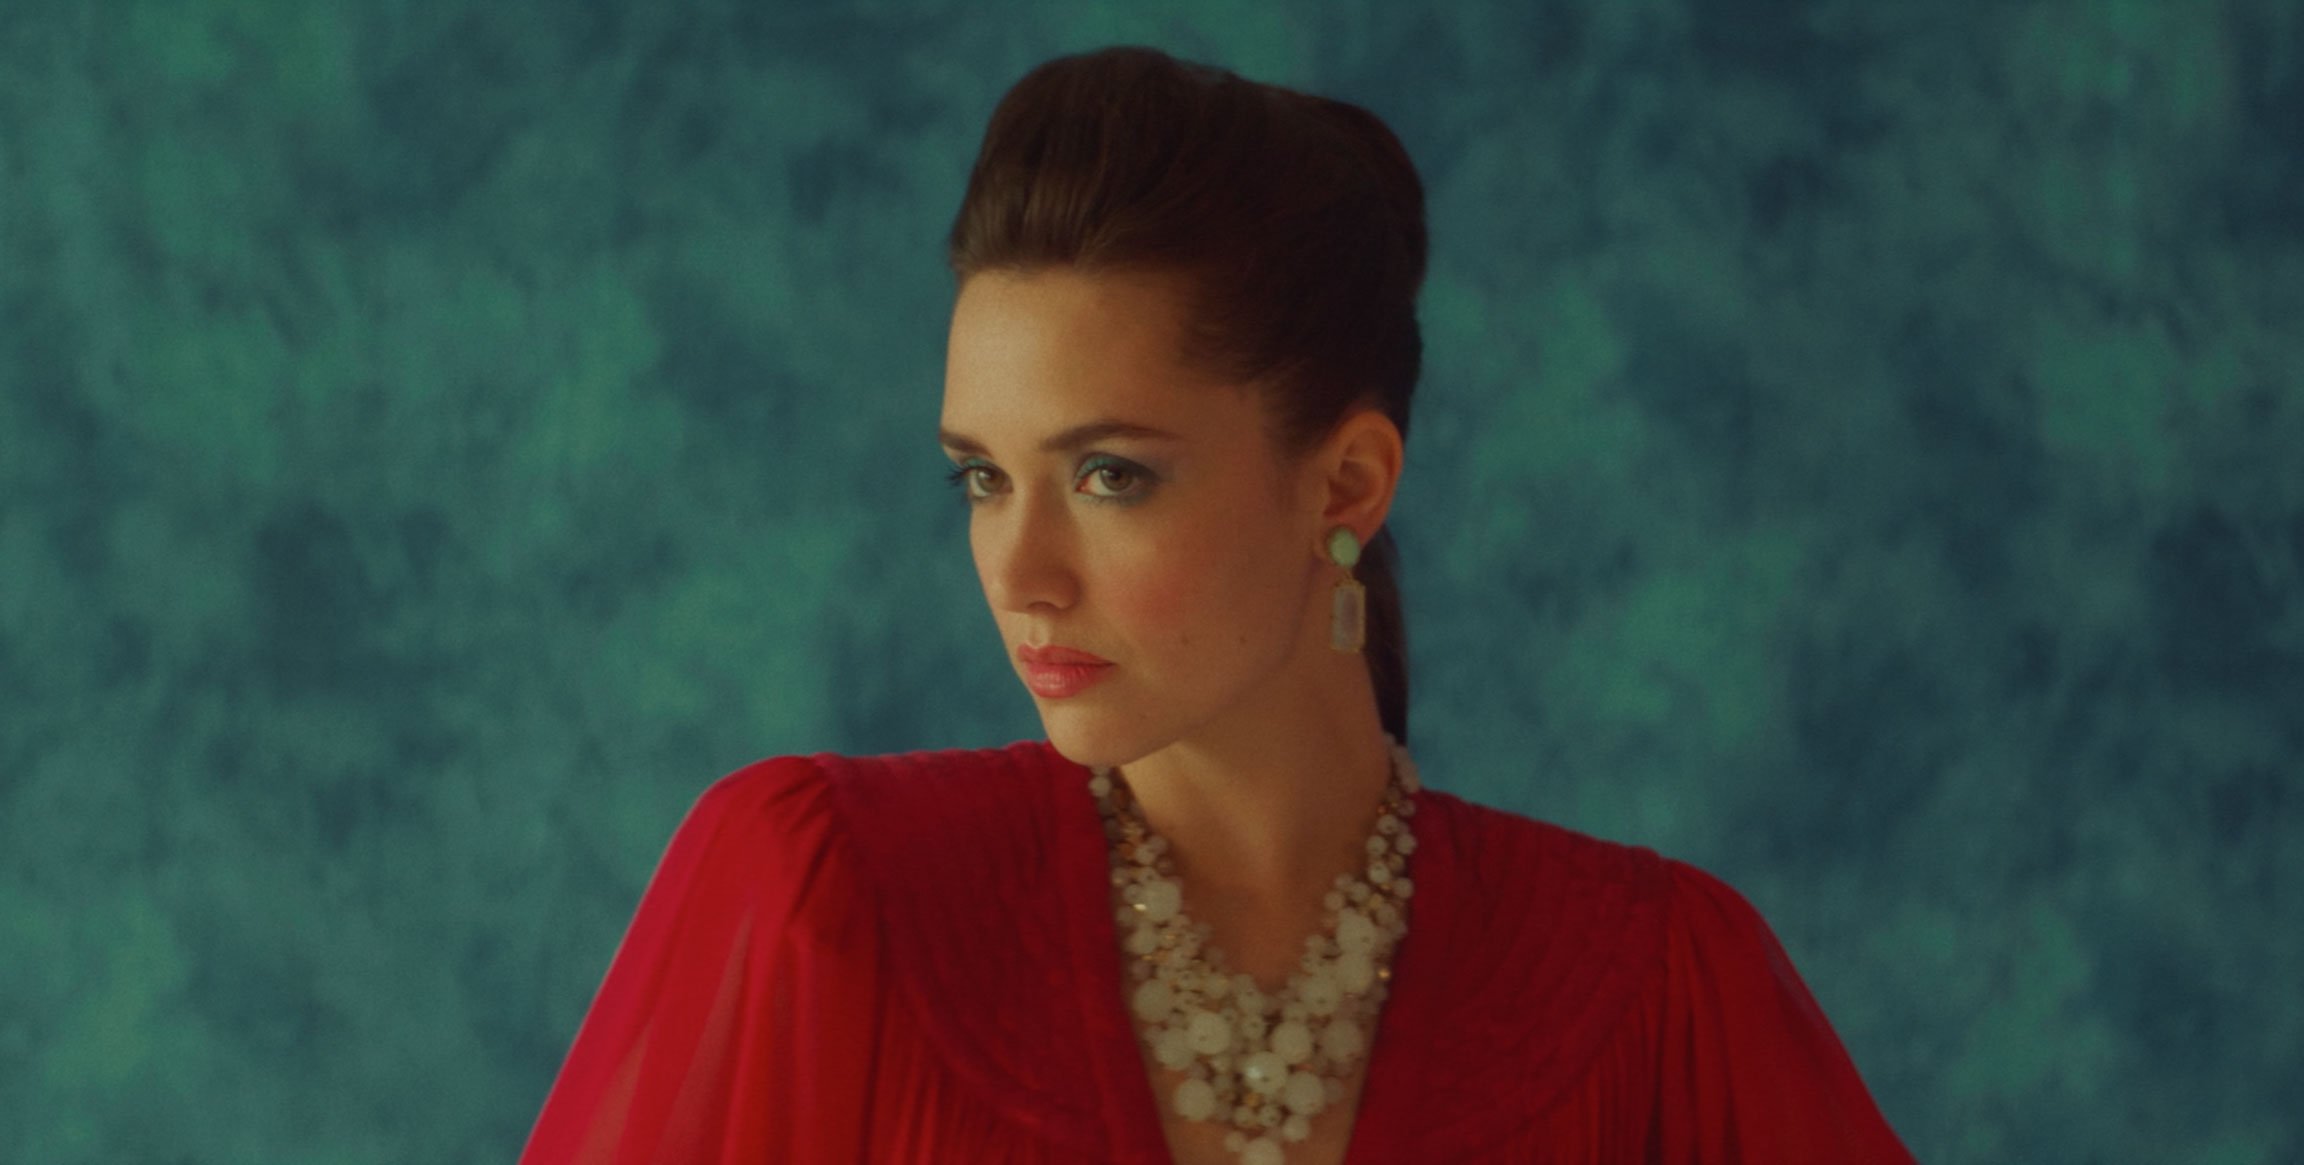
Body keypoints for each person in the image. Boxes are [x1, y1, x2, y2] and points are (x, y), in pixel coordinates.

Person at [518, 45, 1915, 1165]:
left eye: (1110, 475)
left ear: (1346, 483)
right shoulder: (826, 903)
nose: (1020, 570)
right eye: (984, 478)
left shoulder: (1660, 991)